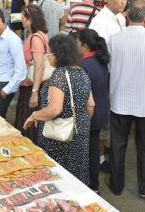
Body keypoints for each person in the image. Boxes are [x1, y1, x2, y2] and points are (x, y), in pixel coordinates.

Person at [106, 3, 145, 200]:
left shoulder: (115, 39)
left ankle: (116, 185)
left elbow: (109, 69)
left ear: (127, 17)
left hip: (119, 101)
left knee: (117, 144)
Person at [23, 34, 94, 184]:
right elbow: (91, 105)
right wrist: (80, 122)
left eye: (49, 54)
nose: (47, 58)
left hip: (59, 137)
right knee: (76, 175)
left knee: (58, 176)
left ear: (59, 55)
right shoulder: (82, 71)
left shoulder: (60, 75)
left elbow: (54, 109)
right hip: (80, 130)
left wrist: (35, 115)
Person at [75, 29, 110, 193]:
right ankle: (94, 186)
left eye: (77, 42)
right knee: (93, 150)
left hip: (89, 114)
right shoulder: (101, 60)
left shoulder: (83, 65)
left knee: (84, 151)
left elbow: (83, 97)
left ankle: (87, 185)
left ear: (84, 45)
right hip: (101, 112)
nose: (76, 45)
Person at [14, 5, 49, 142]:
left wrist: (34, 91)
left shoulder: (35, 38)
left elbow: (39, 65)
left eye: (23, 18)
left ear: (30, 20)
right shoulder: (39, 35)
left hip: (32, 87)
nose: (21, 21)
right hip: (29, 86)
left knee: (28, 123)